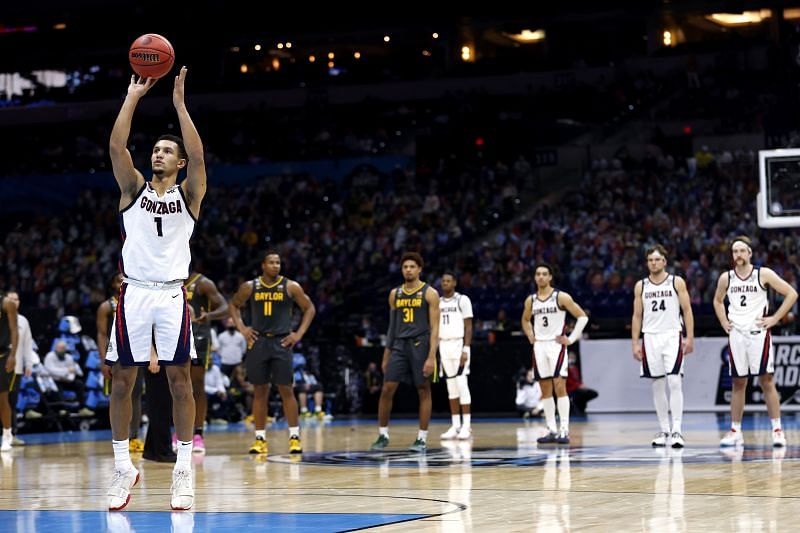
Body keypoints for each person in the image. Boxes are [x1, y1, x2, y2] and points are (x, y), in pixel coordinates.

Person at [104, 67, 206, 511]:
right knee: (122, 383)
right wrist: (132, 97)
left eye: (168, 150)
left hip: (170, 294)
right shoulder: (132, 189)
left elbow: (201, 159)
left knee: (179, 381)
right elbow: (115, 146)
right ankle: (122, 466)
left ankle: (183, 467)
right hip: (133, 293)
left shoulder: (189, 195)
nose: (159, 154)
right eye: (156, 149)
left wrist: (181, 106)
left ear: (179, 162)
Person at [713, 236, 798, 448]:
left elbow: (791, 293)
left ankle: (777, 431)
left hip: (758, 333)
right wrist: (723, 321)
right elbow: (717, 300)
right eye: (735, 251)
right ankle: (735, 431)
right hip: (737, 335)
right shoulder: (726, 278)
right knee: (738, 383)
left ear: (750, 253)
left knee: (766, 381)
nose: (738, 255)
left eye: (742, 251)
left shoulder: (763, 274)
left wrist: (775, 318)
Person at [229, 251, 316, 455]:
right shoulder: (250, 287)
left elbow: (309, 308)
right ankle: (260, 439)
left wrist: (298, 334)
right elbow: (233, 305)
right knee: (260, 392)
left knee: (287, 389)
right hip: (258, 342)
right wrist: (242, 329)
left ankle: (294, 437)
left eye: (278, 262)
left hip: (281, 341)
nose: (276, 265)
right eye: (272, 262)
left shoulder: (291, 286)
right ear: (263, 265)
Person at [371, 252, 440, 452]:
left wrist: (431, 356)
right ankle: (383, 435)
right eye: (405, 267)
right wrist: (386, 354)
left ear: (419, 269)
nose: (408, 270)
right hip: (399, 345)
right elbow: (392, 327)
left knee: (423, 389)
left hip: (421, 343)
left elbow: (435, 328)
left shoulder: (430, 293)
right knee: (387, 389)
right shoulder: (395, 294)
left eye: (412, 266)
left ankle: (422, 438)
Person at [631, 244, 695, 448]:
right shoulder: (641, 285)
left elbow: (687, 310)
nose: (654, 263)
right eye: (650, 260)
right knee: (657, 385)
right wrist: (635, 342)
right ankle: (664, 430)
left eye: (657, 259)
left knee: (675, 382)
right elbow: (637, 315)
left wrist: (690, 337)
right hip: (650, 337)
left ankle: (677, 430)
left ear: (665, 262)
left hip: (672, 336)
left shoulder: (676, 282)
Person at [521, 263, 588, 445]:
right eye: (538, 274)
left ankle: (564, 429)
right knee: (545, 388)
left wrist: (571, 339)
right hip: (539, 346)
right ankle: (551, 429)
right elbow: (525, 320)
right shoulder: (531, 300)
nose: (541, 277)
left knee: (560, 386)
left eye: (544, 274)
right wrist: (530, 335)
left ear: (550, 277)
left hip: (556, 345)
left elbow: (582, 316)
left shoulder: (561, 297)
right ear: (535, 278)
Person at [97, 273, 146, 453]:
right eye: (118, 280)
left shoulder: (137, 303)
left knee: (136, 395)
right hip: (115, 354)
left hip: (137, 352)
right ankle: (119, 438)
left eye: (125, 280)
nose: (122, 283)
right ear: (112, 284)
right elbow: (101, 334)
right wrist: (104, 360)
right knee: (118, 396)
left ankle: (134, 436)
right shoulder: (106, 306)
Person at [183, 271, 229, 454]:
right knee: (177, 387)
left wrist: (209, 316)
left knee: (197, 385)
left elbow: (225, 307)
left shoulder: (203, 282)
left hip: (198, 336)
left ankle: (198, 434)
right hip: (173, 336)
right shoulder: (168, 279)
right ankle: (180, 432)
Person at [438, 271, 474, 441]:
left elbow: (468, 326)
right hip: (443, 345)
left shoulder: (462, 300)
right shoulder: (437, 303)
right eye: (443, 281)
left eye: (448, 281)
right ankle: (455, 424)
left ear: (454, 283)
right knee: (450, 387)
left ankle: (467, 425)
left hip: (459, 344)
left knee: (462, 384)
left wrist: (466, 349)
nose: (445, 283)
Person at [7, 291, 34, 446]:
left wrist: (28, 363)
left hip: (15, 368)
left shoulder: (23, 321)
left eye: (16, 299)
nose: (13, 302)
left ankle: (12, 434)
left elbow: (27, 344)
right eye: (10, 299)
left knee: (12, 402)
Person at [0, 290, 19, 452]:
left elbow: (14, 330)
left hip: (2, 355)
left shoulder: (6, 303)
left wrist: (12, 355)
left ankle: (7, 435)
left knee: (2, 399)